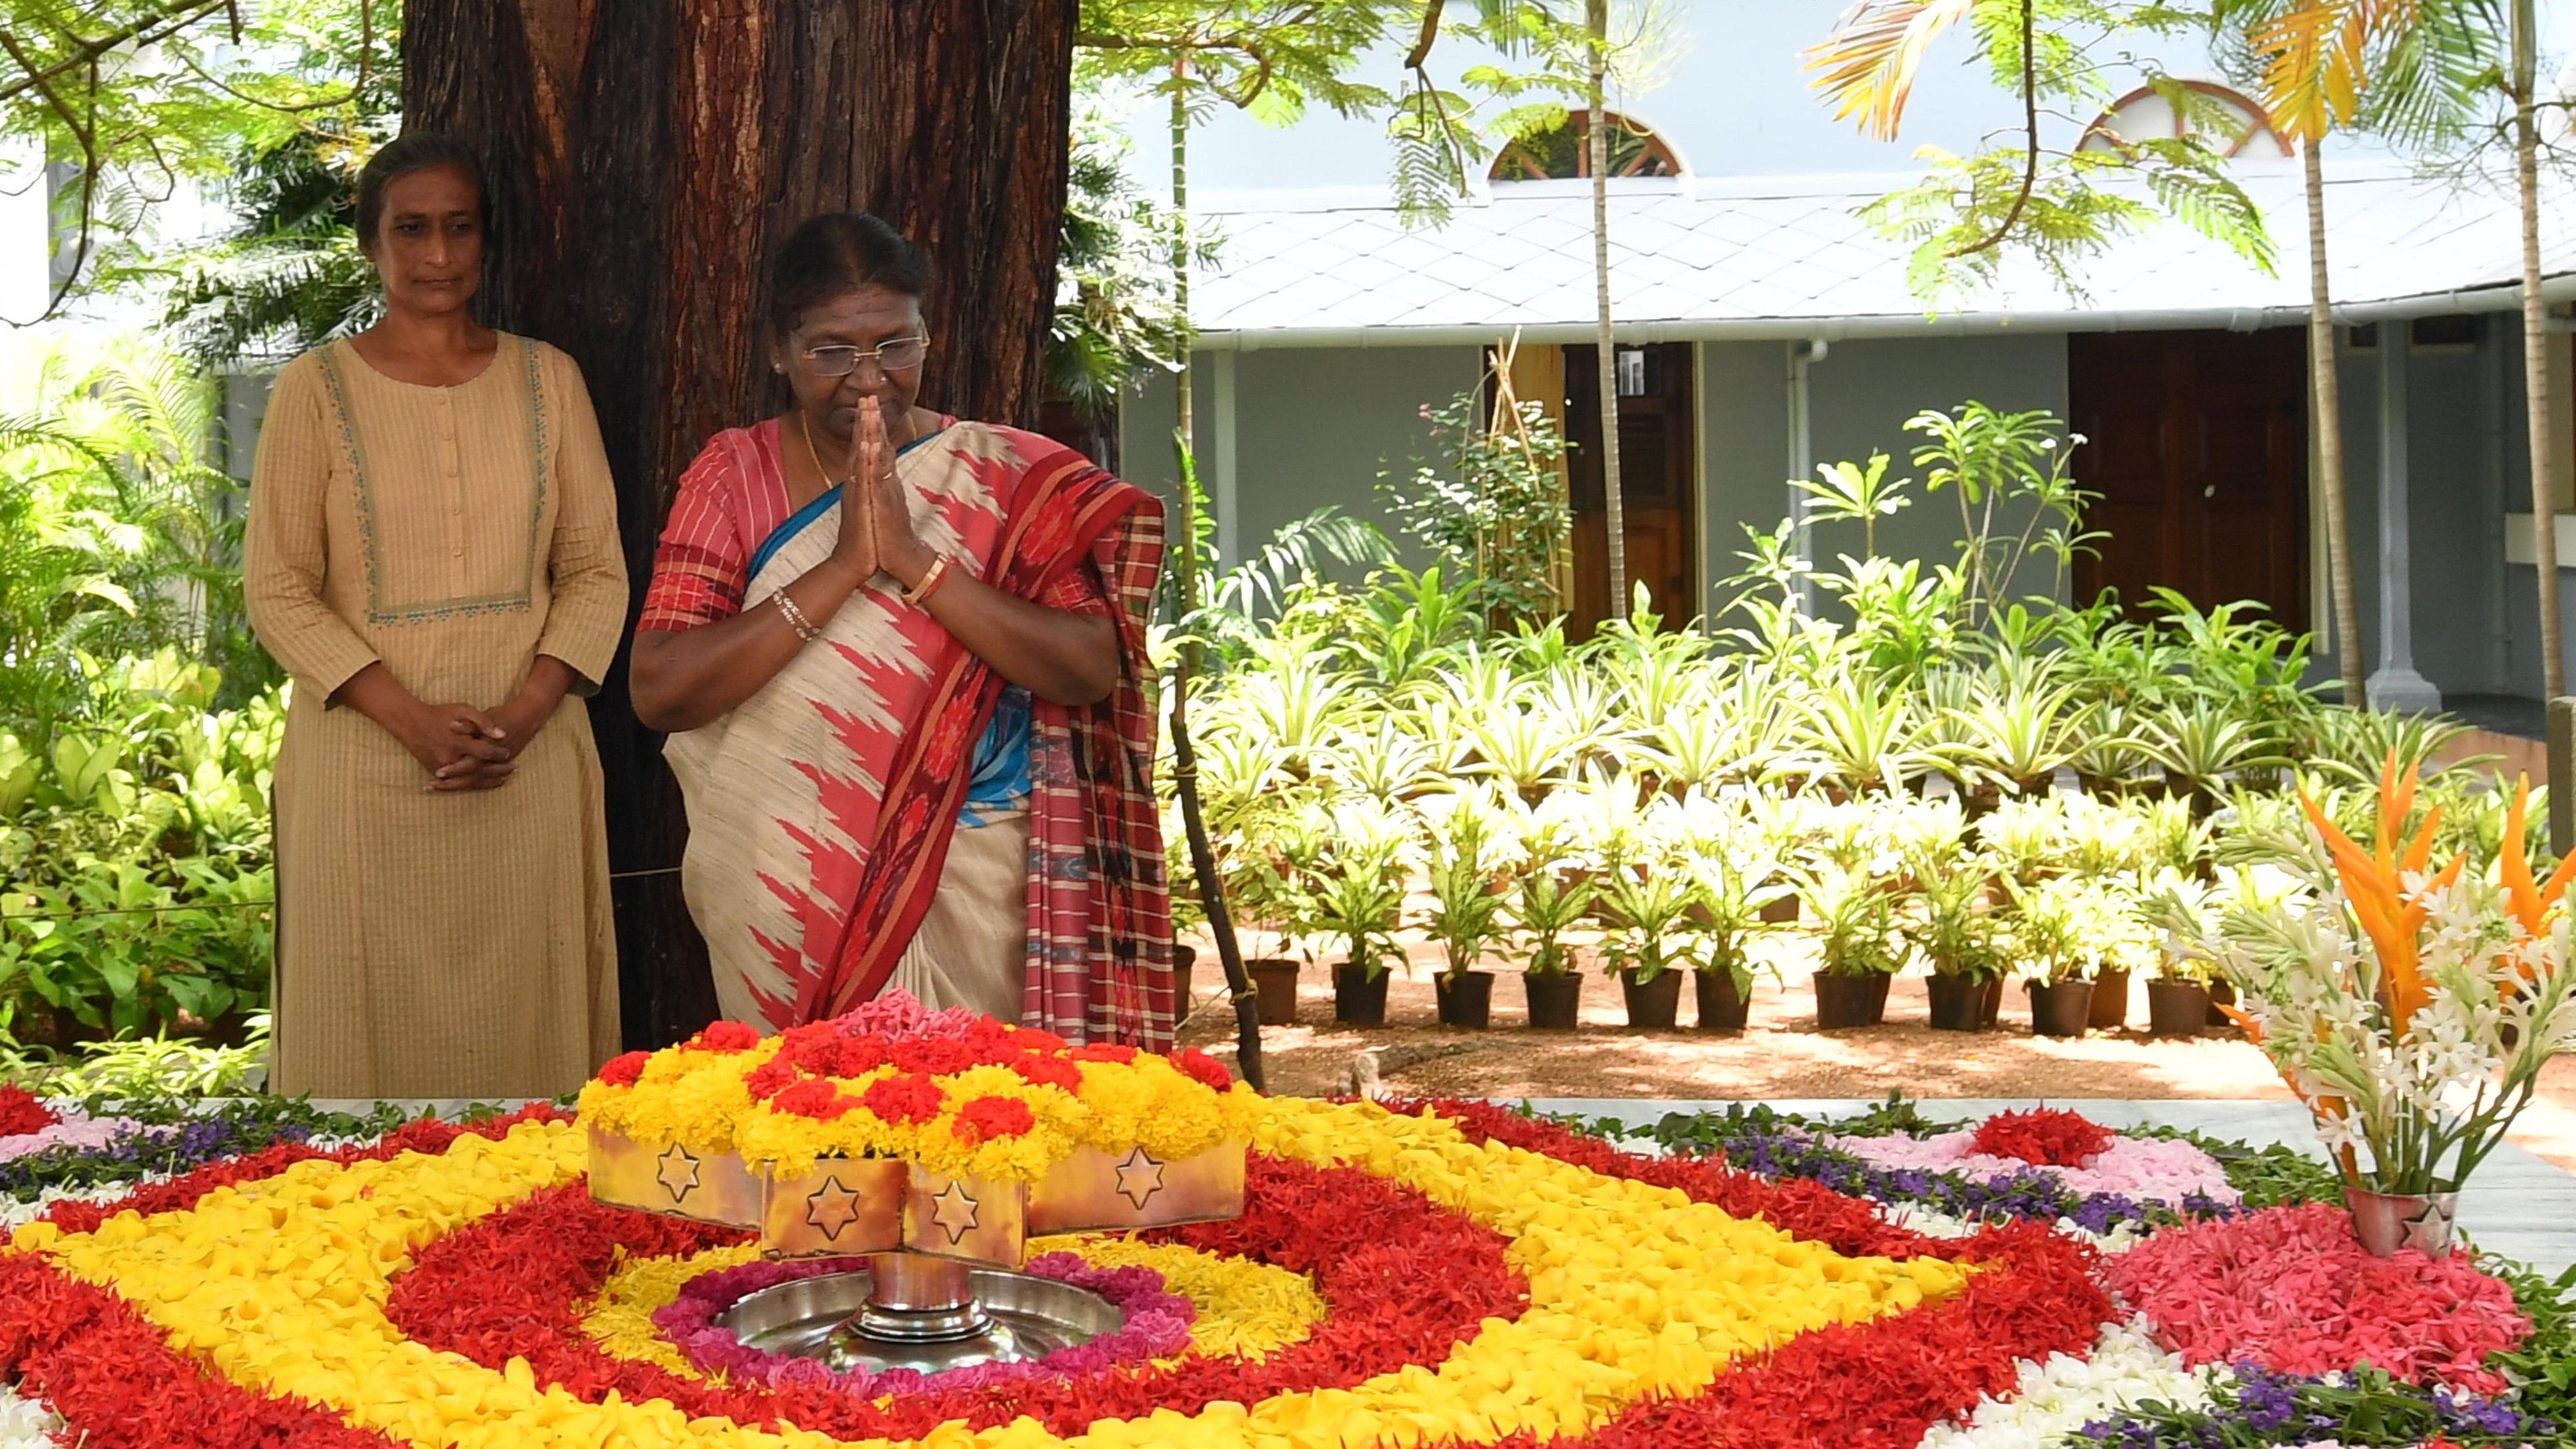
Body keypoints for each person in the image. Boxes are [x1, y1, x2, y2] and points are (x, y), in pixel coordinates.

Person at [629, 212, 1174, 1048]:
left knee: (981, 1140)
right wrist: (846, 563)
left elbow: (1087, 667)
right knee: (817, 1141)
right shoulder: (734, 477)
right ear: (779, 350)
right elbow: (661, 688)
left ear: (928, 336)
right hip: (785, 882)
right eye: (832, 351)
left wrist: (915, 561)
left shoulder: (1003, 478)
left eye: (896, 345)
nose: (868, 379)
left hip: (973, 876)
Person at [243, 132, 628, 1099]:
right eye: (411, 230)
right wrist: (417, 722)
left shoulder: (552, 380)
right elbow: (279, 590)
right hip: (364, 776)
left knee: (538, 1062)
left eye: (460, 229)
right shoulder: (313, 391)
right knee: (355, 1067)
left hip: (530, 766)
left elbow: (595, 572)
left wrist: (525, 714)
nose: (439, 255)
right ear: (372, 243)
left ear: (487, 241)